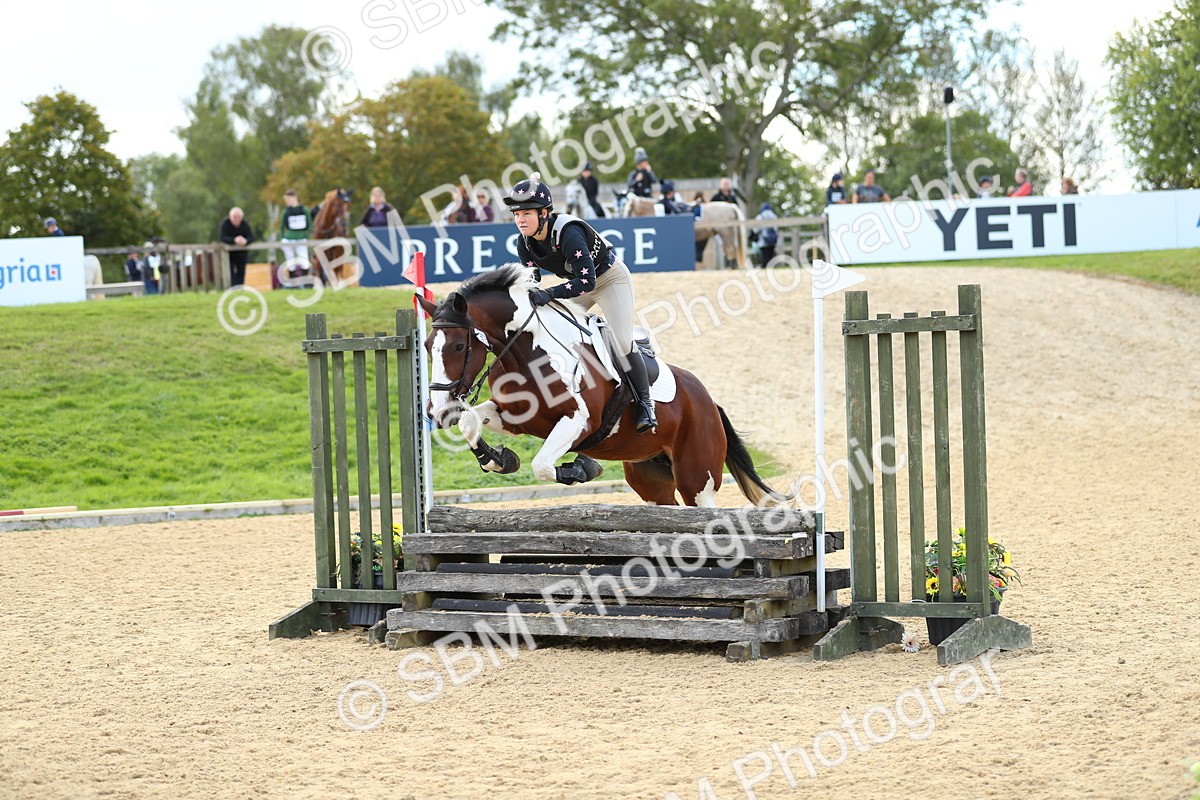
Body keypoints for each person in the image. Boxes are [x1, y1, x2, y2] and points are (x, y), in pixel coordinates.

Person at [505, 172, 658, 433]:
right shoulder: (524, 243)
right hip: (578, 283)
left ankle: (646, 404)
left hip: (610, 280)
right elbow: (533, 281)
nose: (520, 220)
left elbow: (586, 282)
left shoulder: (569, 233)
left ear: (544, 213)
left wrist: (550, 294)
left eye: (527, 213)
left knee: (621, 340)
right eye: (517, 214)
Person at [219, 207, 255, 286]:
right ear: (230, 216)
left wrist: (245, 241)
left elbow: (251, 237)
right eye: (234, 217)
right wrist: (234, 240)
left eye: (239, 217)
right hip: (229, 254)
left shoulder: (245, 224)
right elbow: (223, 237)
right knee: (230, 272)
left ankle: (240, 288)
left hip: (242, 253)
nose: (237, 219)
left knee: (241, 272)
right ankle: (231, 288)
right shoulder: (225, 224)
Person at [280, 189, 312, 277]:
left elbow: (310, 225)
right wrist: (282, 238)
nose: (286, 202)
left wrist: (306, 236)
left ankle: (305, 282)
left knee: (304, 260)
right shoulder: (286, 211)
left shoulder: (304, 210)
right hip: (289, 239)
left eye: (287, 199)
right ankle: (292, 282)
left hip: (301, 239)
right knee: (290, 261)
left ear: (294, 197)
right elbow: (281, 227)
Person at [751, 202, 779, 267]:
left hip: (763, 240)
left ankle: (765, 267)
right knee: (770, 255)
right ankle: (771, 267)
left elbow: (756, 229)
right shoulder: (774, 216)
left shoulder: (760, 216)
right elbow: (776, 227)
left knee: (764, 256)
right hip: (772, 239)